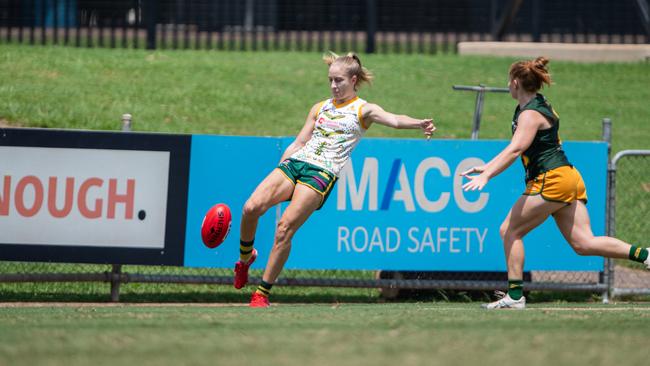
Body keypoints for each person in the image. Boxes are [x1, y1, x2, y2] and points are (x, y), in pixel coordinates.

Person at [233, 52, 436, 307]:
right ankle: (244, 259)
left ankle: (261, 293)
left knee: (284, 228)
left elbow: (394, 120)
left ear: (353, 80)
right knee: (251, 207)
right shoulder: (320, 107)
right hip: (296, 163)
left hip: (322, 173)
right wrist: (281, 167)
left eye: (338, 80)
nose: (333, 86)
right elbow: (299, 141)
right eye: (330, 80)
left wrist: (419, 123)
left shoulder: (364, 110)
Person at [460, 56, 649, 310]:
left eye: (509, 81)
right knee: (584, 243)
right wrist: (488, 166)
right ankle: (646, 255)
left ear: (515, 83)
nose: (508, 85)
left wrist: (487, 176)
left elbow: (516, 150)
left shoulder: (531, 113)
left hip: (552, 180)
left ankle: (515, 296)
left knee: (509, 231)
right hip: (567, 177)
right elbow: (515, 148)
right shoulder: (535, 106)